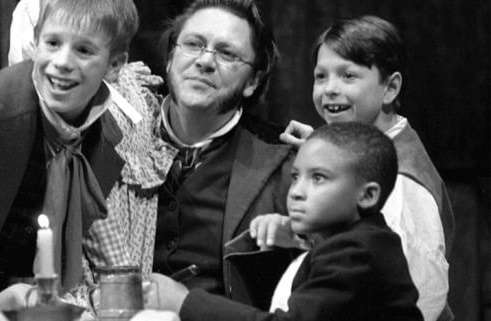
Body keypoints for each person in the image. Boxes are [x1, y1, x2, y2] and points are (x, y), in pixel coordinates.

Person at [0, 0, 170, 300]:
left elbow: (100, 229)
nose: (62, 61)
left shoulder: (100, 132)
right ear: (35, 43)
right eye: (52, 43)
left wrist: (132, 300)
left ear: (115, 65)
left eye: (84, 50)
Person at [257, 16, 453, 321]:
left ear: (390, 88)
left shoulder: (402, 184)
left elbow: (416, 294)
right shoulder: (369, 154)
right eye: (321, 76)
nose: (330, 89)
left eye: (348, 76)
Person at [153, 122, 423, 321]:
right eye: (295, 177)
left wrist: (184, 301)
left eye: (318, 178)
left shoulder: (359, 253)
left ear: (367, 195)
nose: (296, 191)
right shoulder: (353, 242)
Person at [147, 0, 294, 297]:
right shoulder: (115, 136)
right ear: (169, 58)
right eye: (193, 44)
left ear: (252, 80)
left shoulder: (285, 163)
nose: (205, 61)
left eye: (227, 53)